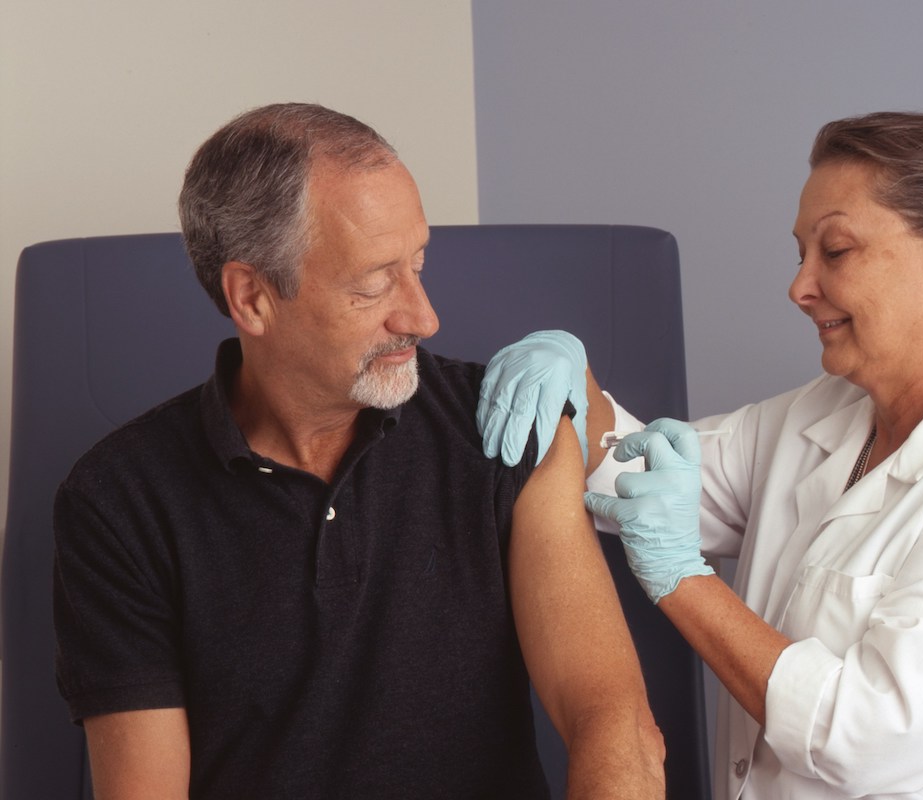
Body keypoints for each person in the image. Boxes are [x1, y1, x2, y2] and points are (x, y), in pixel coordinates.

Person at [477, 111, 923, 799]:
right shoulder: (818, 417)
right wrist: (575, 384)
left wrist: (682, 579)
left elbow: (862, 737)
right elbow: (639, 474)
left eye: (835, 250)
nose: (799, 287)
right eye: (800, 253)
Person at [52, 103, 664, 799]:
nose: (423, 316)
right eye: (374, 282)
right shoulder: (120, 500)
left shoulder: (506, 430)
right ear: (251, 298)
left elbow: (614, 721)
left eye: (419, 263)